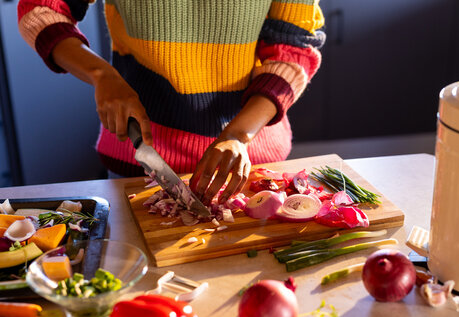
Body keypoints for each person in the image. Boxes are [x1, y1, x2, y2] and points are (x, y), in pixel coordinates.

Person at [17, 0, 325, 205]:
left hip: (250, 169)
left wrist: (238, 135)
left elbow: (293, 49)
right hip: (138, 166)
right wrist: (101, 75)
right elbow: (40, 11)